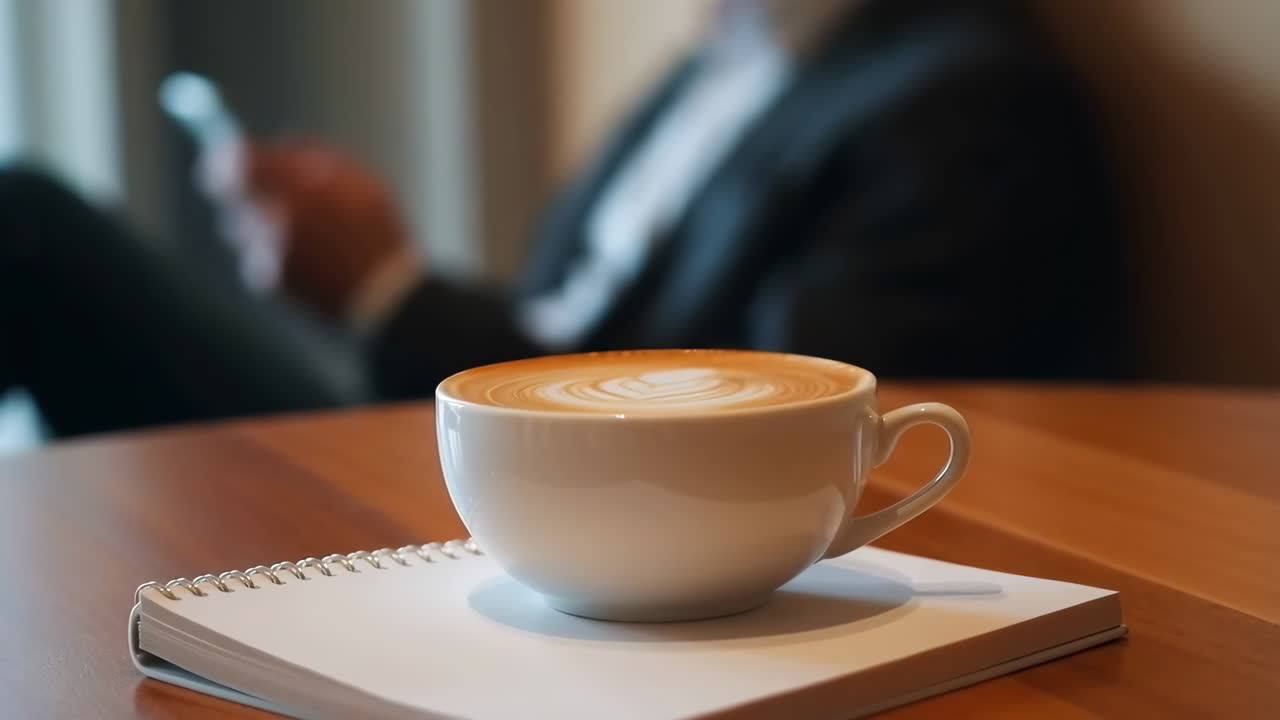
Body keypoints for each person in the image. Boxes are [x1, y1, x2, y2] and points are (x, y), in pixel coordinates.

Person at [0, 0, 1127, 438]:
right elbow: (571, 332)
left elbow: (774, 420)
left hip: (591, 524)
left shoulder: (961, 99)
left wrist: (386, 292)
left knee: (30, 229)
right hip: (479, 461)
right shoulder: (718, 67)